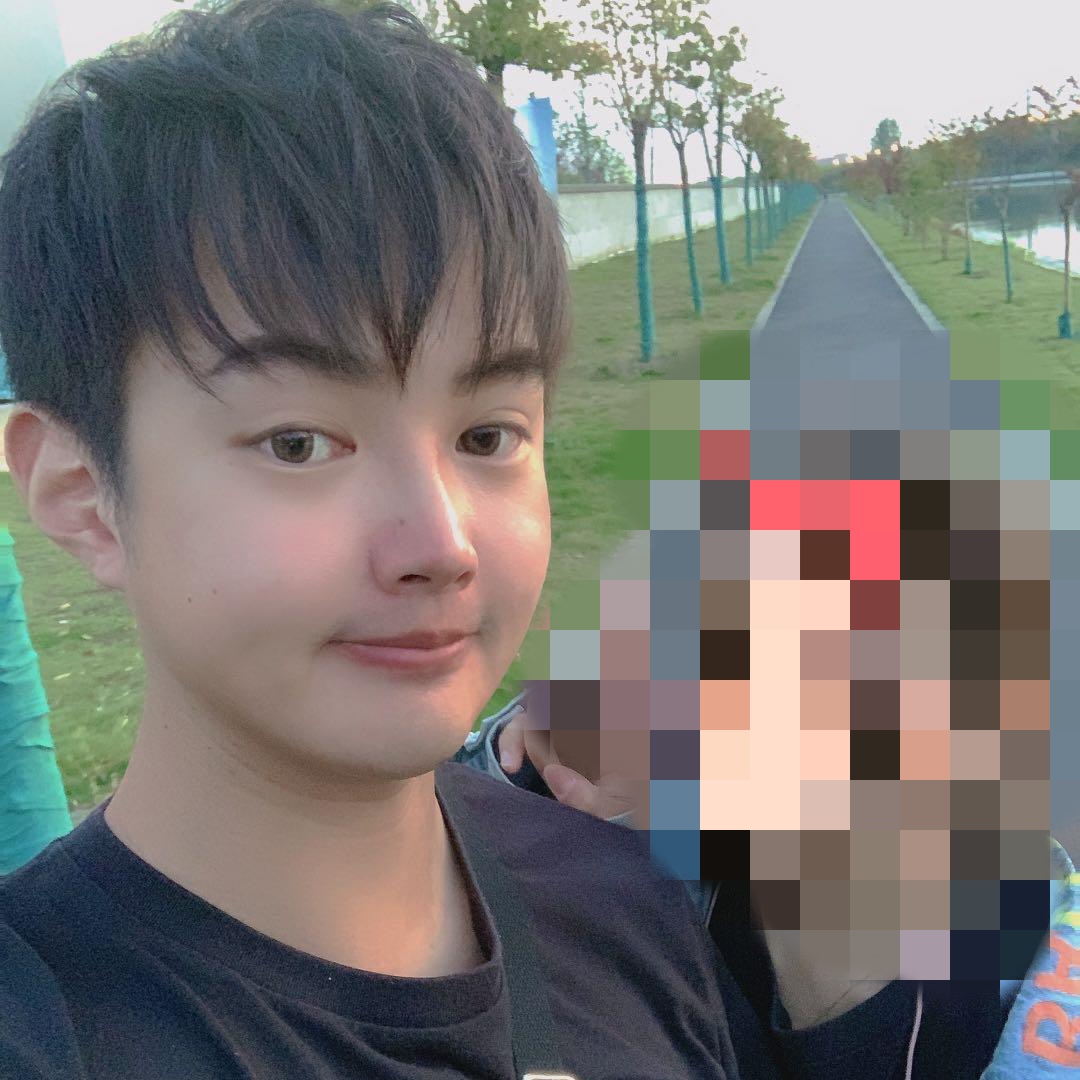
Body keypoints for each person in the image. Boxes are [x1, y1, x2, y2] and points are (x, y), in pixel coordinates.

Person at [0, 3, 740, 1078]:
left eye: (487, 436)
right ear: (81, 496)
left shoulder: (627, 902)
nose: (441, 543)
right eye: (299, 444)